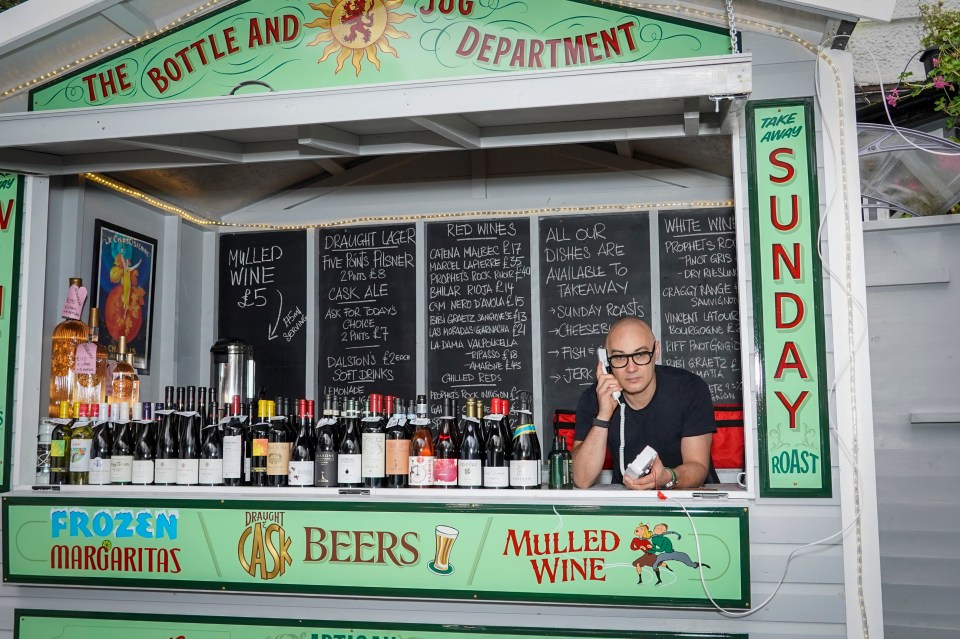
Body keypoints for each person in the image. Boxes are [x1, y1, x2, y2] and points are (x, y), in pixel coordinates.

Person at [571, 317, 717, 490]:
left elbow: (698, 467)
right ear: (605, 361)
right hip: (628, 503)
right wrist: (603, 415)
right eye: (619, 357)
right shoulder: (594, 398)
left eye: (640, 354)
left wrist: (667, 477)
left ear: (656, 351)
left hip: (687, 500)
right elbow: (581, 479)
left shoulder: (689, 389)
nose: (631, 368)